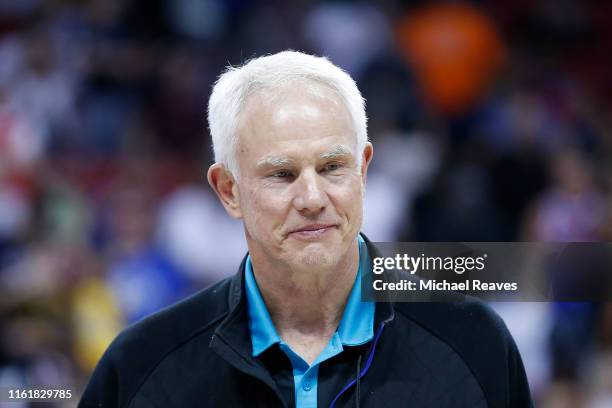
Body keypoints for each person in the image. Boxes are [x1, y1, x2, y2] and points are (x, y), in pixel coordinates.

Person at [78, 51, 533, 407]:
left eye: (333, 167)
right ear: (228, 190)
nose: (313, 199)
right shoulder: (140, 366)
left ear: (364, 171)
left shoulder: (474, 343)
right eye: (282, 174)